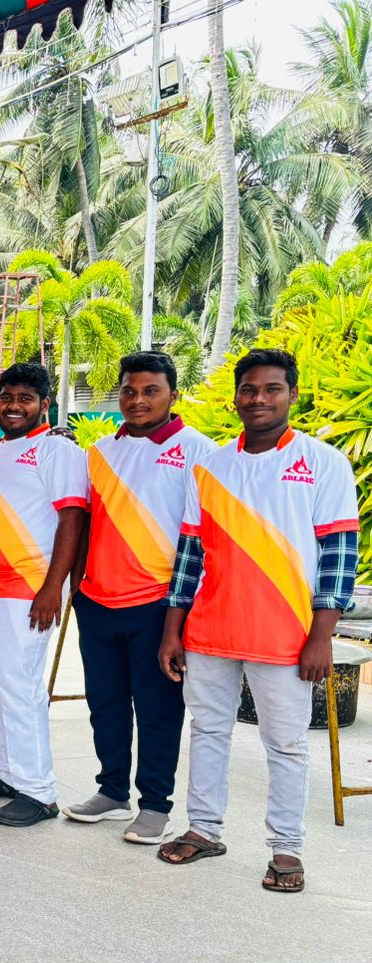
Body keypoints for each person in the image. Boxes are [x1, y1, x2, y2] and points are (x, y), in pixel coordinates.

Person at [157, 348, 359, 893]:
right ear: (237, 396)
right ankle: (203, 830)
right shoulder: (212, 466)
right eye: (250, 389)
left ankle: (286, 850)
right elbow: (189, 557)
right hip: (211, 631)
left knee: (287, 745)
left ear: (292, 395)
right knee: (207, 731)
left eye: (272, 389)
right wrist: (173, 630)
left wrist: (322, 637)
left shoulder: (323, 463)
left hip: (288, 635)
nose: (259, 399)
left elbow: (339, 558)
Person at [64, 352, 215, 844]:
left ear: (173, 393)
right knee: (105, 703)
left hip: (157, 604)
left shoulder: (199, 451)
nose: (137, 400)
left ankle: (154, 804)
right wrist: (77, 586)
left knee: (157, 709)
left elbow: (203, 540)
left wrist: (183, 611)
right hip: (97, 601)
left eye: (150, 390)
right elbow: (84, 522)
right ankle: (111, 791)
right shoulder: (100, 451)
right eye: (129, 390)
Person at [0, 362, 87, 826]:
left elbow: (72, 521)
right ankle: (7, 773)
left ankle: (40, 791)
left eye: (25, 398)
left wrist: (53, 588)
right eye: (6, 397)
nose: (12, 406)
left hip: (27, 590)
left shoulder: (56, 452)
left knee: (20, 690)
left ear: (44, 404)